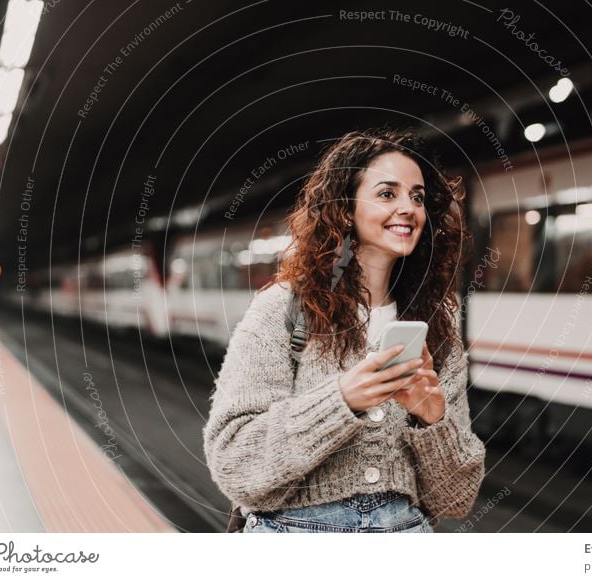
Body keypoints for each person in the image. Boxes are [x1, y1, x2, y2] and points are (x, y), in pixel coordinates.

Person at [203, 127, 486, 533]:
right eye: (388, 194)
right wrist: (341, 401)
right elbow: (235, 465)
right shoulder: (283, 309)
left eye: (417, 196)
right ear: (345, 209)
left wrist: (433, 421)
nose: (408, 207)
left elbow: (456, 498)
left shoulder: (437, 327)